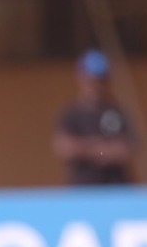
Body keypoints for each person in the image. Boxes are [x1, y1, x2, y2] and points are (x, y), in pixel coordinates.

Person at [52, 49, 137, 185]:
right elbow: (65, 149)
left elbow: (126, 150)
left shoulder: (118, 112)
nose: (96, 85)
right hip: (83, 189)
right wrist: (101, 149)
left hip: (116, 188)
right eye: (91, 79)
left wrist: (85, 148)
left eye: (101, 79)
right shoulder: (71, 114)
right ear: (81, 77)